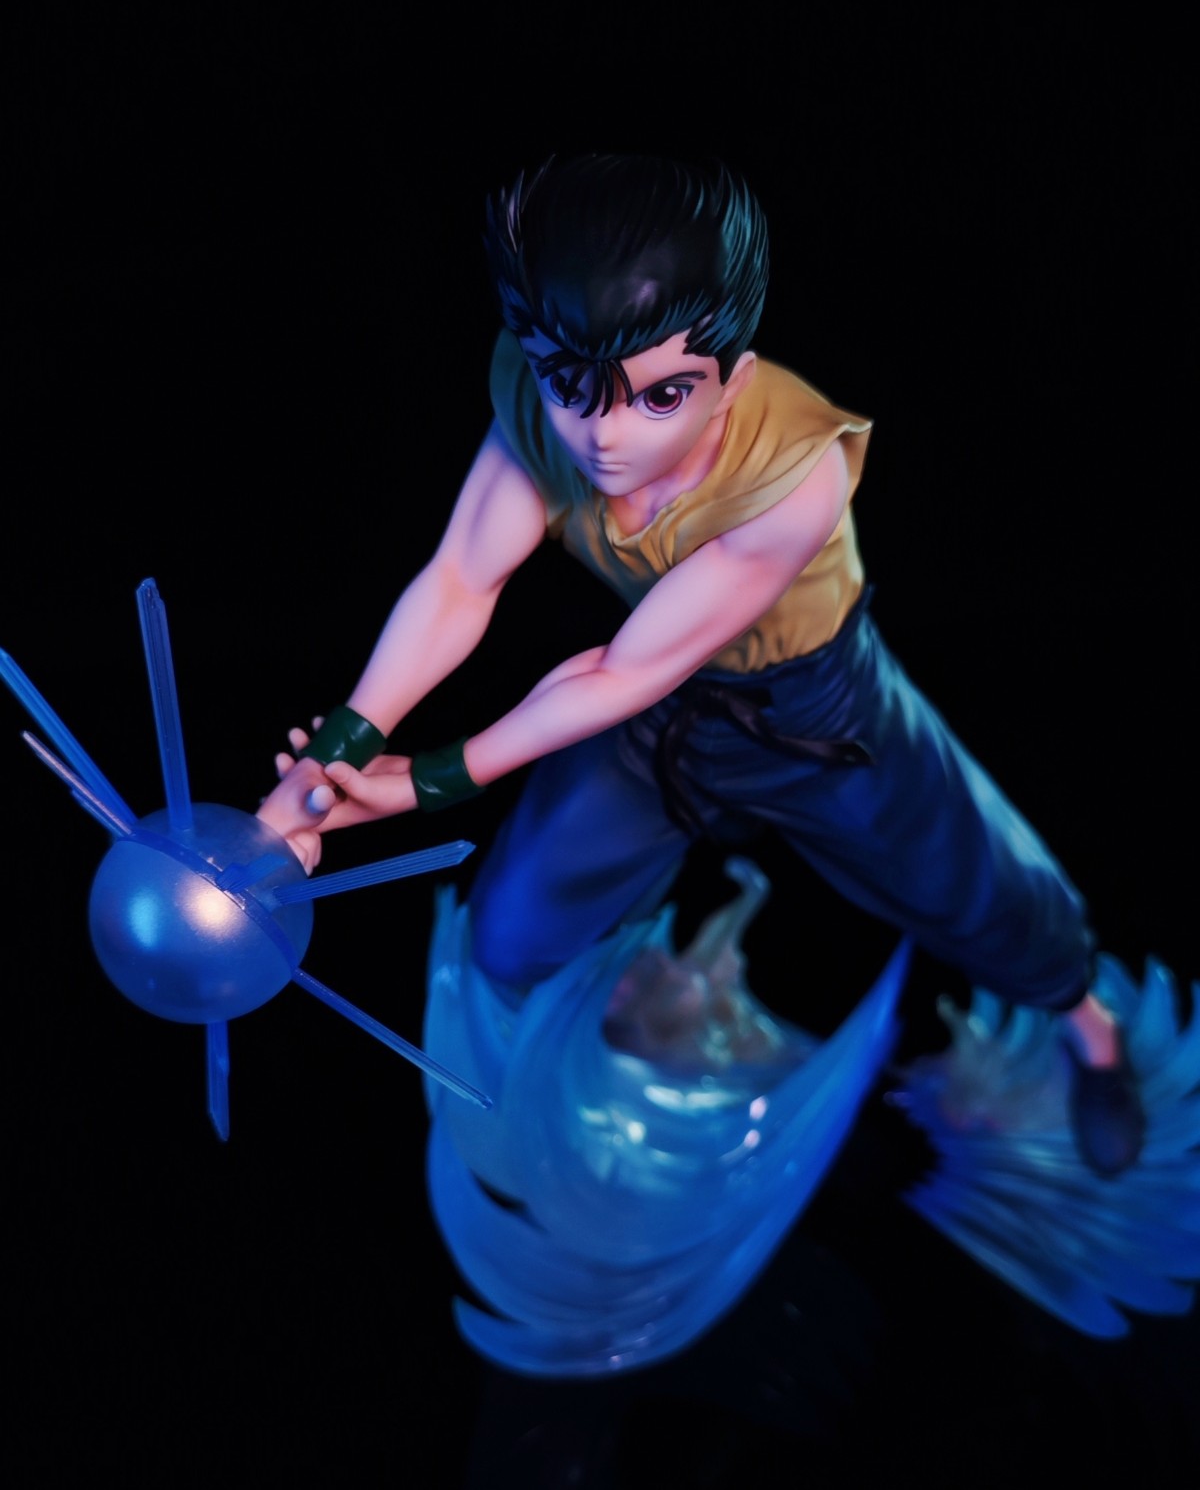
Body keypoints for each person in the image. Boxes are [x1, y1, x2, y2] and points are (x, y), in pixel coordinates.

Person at [256, 152, 1144, 1176]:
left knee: (977, 885)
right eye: (570, 387)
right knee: (511, 928)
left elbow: (620, 670)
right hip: (653, 726)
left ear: (735, 377)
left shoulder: (796, 475)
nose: (603, 436)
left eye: (662, 395)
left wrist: (424, 781)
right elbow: (461, 578)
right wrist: (331, 759)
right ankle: (586, 1091)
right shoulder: (541, 395)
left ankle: (1095, 1036)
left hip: (816, 709)